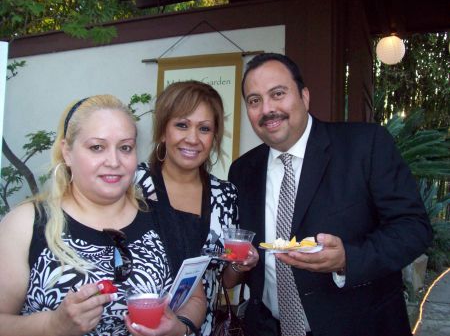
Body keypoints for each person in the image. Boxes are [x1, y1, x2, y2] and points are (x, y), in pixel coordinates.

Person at [228, 53, 432, 336]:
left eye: (278, 94)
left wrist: (348, 258)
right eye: (254, 100)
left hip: (359, 327)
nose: (267, 109)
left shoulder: (365, 145)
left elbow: (414, 229)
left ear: (305, 96)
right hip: (267, 327)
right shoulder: (242, 171)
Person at [0, 95, 206, 336]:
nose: (114, 161)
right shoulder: (27, 224)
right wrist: (51, 326)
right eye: (97, 147)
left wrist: (179, 327)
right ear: (67, 152)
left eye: (125, 148)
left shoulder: (164, 219)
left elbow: (196, 298)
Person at [135, 80, 259, 336]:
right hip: (136, 327)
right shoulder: (132, 185)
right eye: (182, 125)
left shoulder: (225, 196)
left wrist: (240, 265)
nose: (192, 139)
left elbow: (225, 279)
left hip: (199, 329)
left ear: (214, 137)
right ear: (162, 131)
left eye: (204, 128)